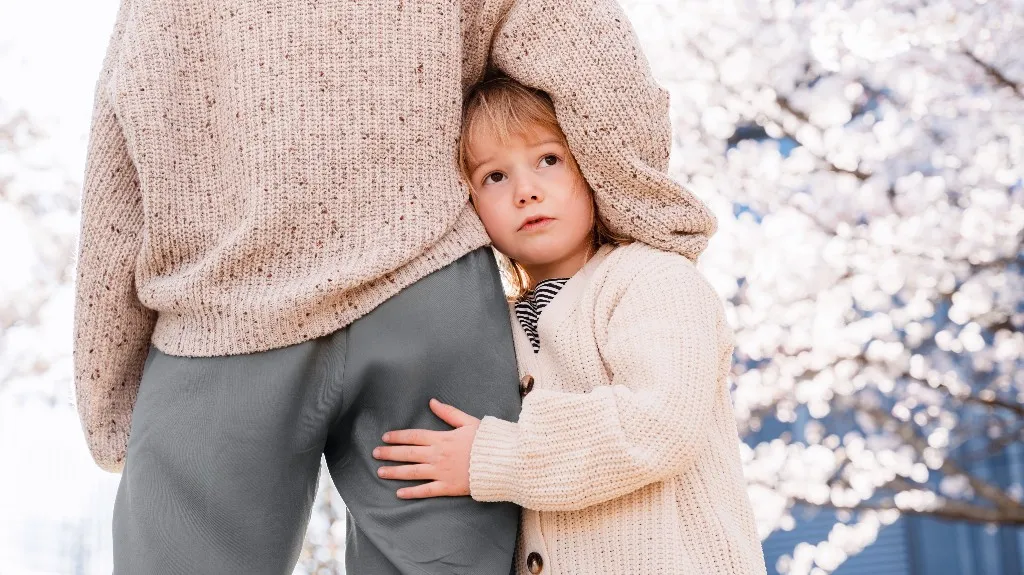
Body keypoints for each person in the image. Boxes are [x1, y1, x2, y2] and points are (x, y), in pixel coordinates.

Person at [74, 1, 714, 573]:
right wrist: (642, 212)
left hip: (221, 315)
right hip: (422, 284)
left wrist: (111, 398)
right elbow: (582, 45)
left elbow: (114, 180)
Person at [373, 74, 766, 574]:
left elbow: (658, 424)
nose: (526, 192)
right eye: (495, 176)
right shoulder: (498, 325)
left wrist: (492, 456)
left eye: (548, 160)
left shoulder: (652, 279)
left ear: (589, 167)